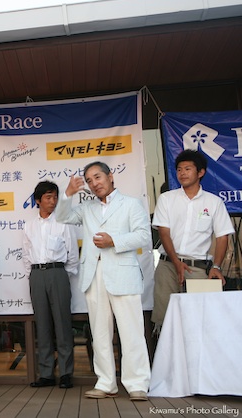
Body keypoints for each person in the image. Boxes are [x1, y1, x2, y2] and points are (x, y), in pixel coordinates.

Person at [56, 161, 151, 401]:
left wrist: (114, 241)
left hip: (123, 274)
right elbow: (62, 217)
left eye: (97, 177)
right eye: (89, 180)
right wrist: (67, 194)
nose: (94, 183)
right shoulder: (86, 208)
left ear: (110, 176)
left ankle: (137, 384)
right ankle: (106, 382)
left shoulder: (131, 203)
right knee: (99, 333)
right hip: (93, 274)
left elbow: (143, 236)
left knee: (131, 332)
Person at [151, 149, 234, 332]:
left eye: (188, 169)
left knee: (200, 319)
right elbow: (164, 232)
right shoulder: (166, 199)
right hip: (167, 265)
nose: (182, 173)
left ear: (200, 172)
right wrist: (176, 262)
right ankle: (167, 351)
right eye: (179, 169)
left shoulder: (214, 202)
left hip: (197, 267)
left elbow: (222, 236)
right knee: (166, 320)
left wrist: (217, 266)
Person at [22, 180, 78, 389]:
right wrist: (33, 276)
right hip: (37, 275)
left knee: (62, 324)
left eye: (55, 197)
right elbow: (26, 254)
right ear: (38, 200)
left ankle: (66, 373)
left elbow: (72, 254)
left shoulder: (63, 222)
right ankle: (46, 373)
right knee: (43, 325)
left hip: (58, 273)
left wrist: (61, 275)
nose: (53, 201)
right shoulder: (29, 225)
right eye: (48, 197)